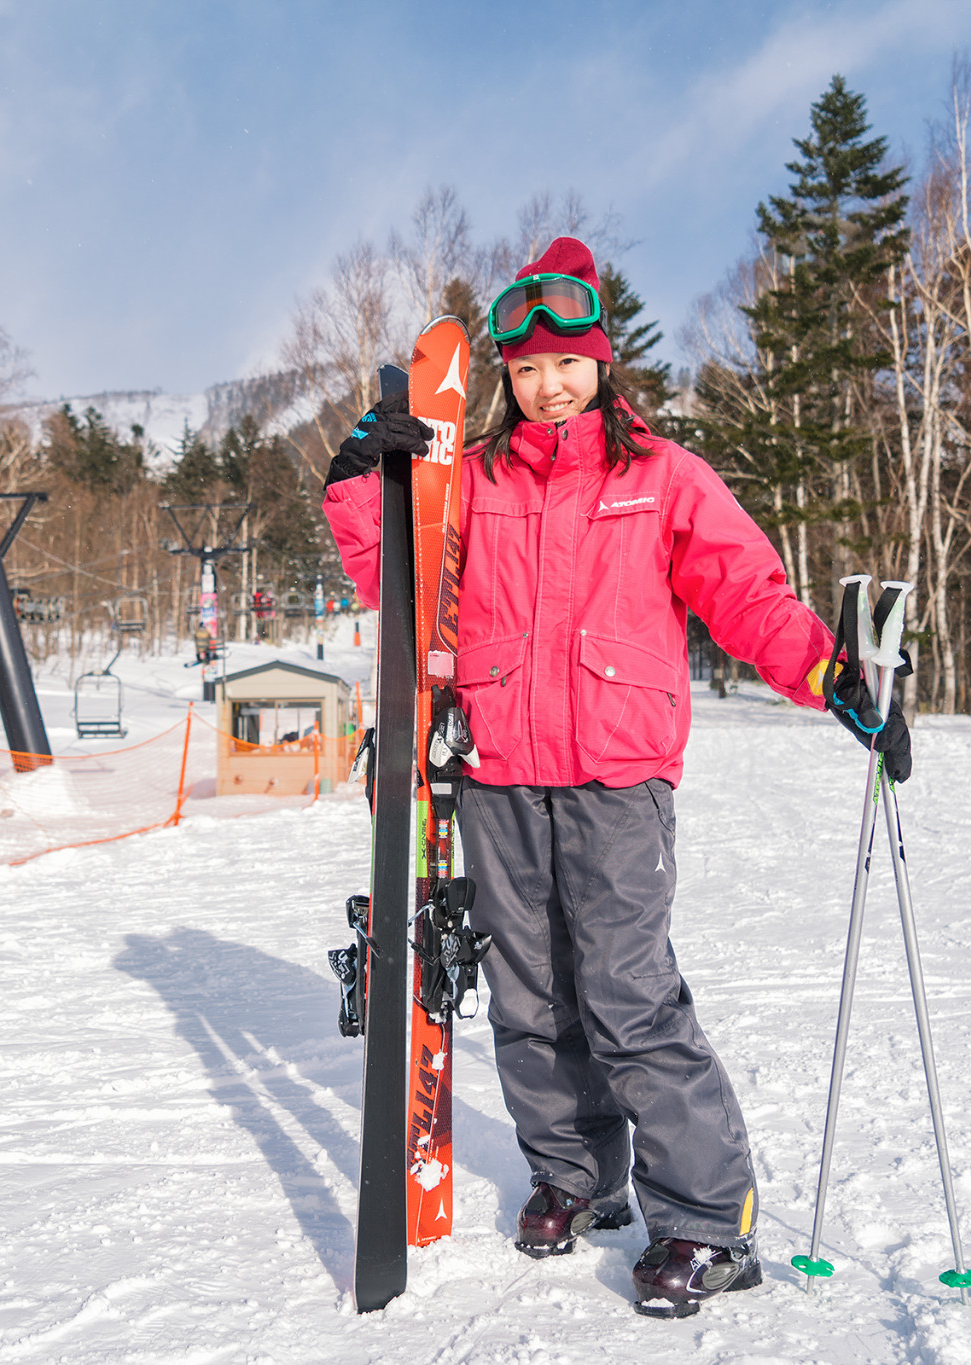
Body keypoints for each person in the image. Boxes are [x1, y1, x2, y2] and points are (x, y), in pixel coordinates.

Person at [322, 237, 911, 1320]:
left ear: (602, 362)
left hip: (615, 779)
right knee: (528, 997)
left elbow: (745, 595)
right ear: (505, 377)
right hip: (496, 770)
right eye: (528, 368)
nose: (548, 385)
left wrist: (829, 672)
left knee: (628, 996)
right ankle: (573, 1173)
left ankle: (702, 1218)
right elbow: (400, 588)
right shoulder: (478, 482)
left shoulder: (660, 479)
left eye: (567, 362)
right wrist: (363, 483)